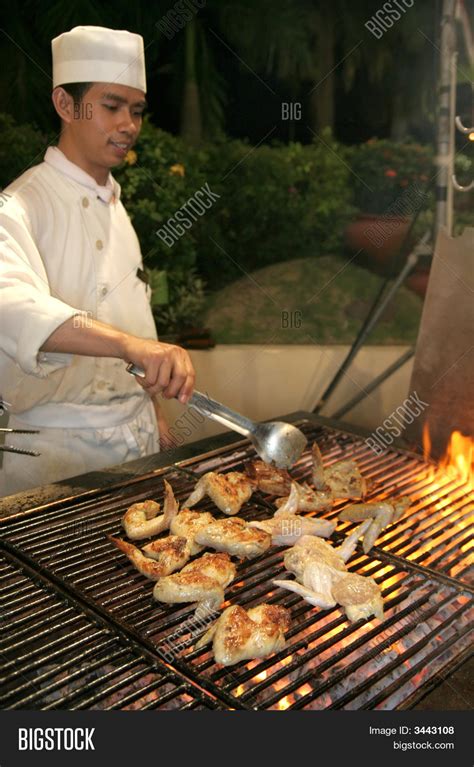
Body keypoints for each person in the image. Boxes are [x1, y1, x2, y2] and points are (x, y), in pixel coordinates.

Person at [0, 26, 195, 496]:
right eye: (111, 107)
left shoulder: (116, 207)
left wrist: (155, 413)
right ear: (66, 105)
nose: (128, 124)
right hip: (54, 455)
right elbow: (14, 307)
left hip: (136, 440)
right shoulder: (20, 207)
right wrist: (133, 348)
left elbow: (134, 320)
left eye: (136, 110)